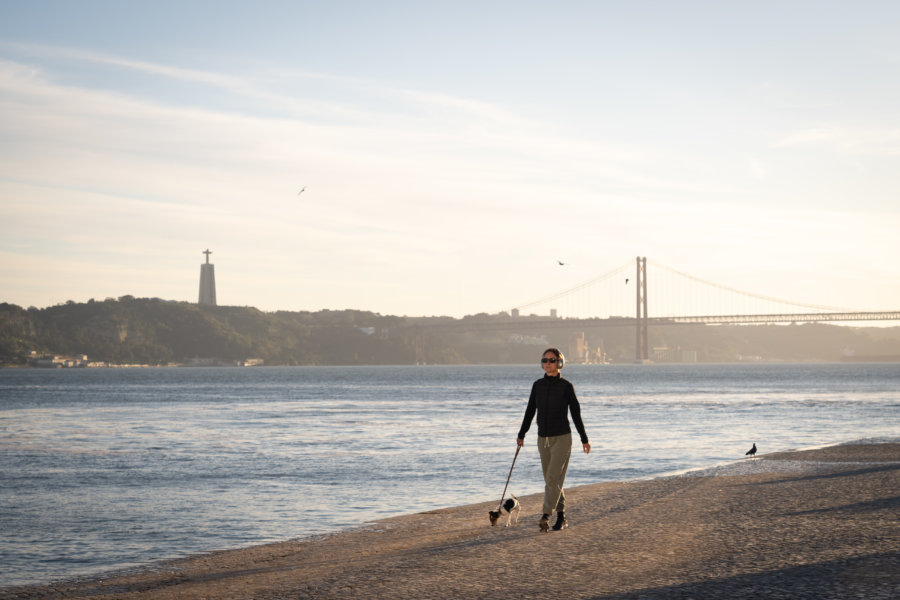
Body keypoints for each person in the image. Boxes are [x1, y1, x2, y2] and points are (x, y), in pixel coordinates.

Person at [517, 347, 590, 532]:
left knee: (552, 478)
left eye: (551, 360)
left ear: (560, 362)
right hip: (543, 439)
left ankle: (546, 515)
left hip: (562, 438)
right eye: (544, 360)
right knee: (552, 481)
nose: (547, 363)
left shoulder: (566, 386)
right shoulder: (537, 386)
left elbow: (576, 414)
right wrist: (521, 434)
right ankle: (562, 516)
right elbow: (530, 411)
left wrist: (584, 438)